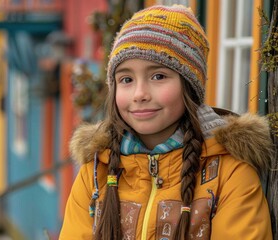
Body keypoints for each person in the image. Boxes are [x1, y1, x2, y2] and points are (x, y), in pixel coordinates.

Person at [59, 4, 274, 240]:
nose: (139, 93)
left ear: (189, 86)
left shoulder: (229, 172)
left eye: (158, 76)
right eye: (127, 79)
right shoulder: (96, 173)